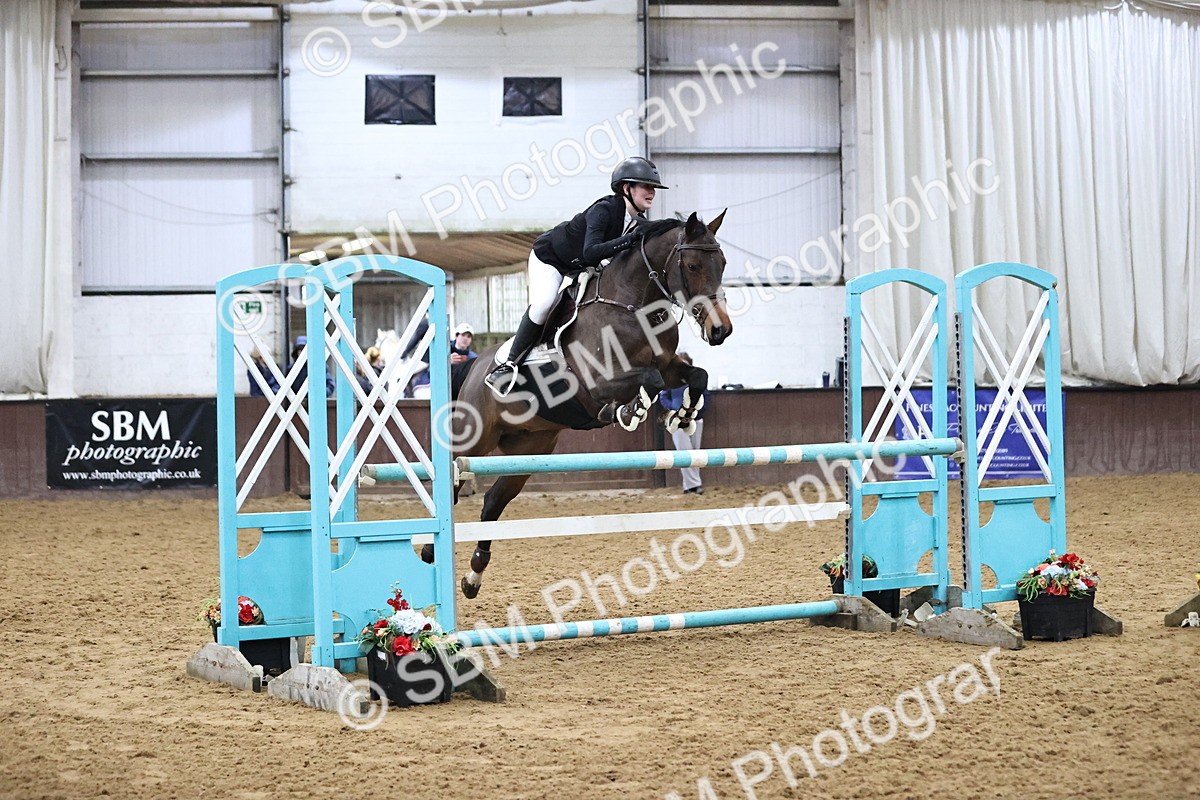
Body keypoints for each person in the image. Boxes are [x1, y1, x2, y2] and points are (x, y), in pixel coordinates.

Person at [484, 156, 679, 398]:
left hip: (582, 267)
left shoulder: (638, 221)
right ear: (626, 188)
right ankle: (508, 365)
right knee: (544, 303)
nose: (652, 192)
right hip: (551, 258)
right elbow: (590, 251)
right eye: (646, 186)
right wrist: (629, 240)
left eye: (653, 188)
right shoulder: (604, 210)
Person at [659, 353, 708, 495]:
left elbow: (705, 397)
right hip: (677, 420)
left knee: (695, 452)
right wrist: (674, 409)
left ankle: (690, 485)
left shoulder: (695, 380)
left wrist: (695, 412)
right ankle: (694, 485)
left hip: (696, 419)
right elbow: (663, 397)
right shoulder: (670, 380)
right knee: (684, 452)